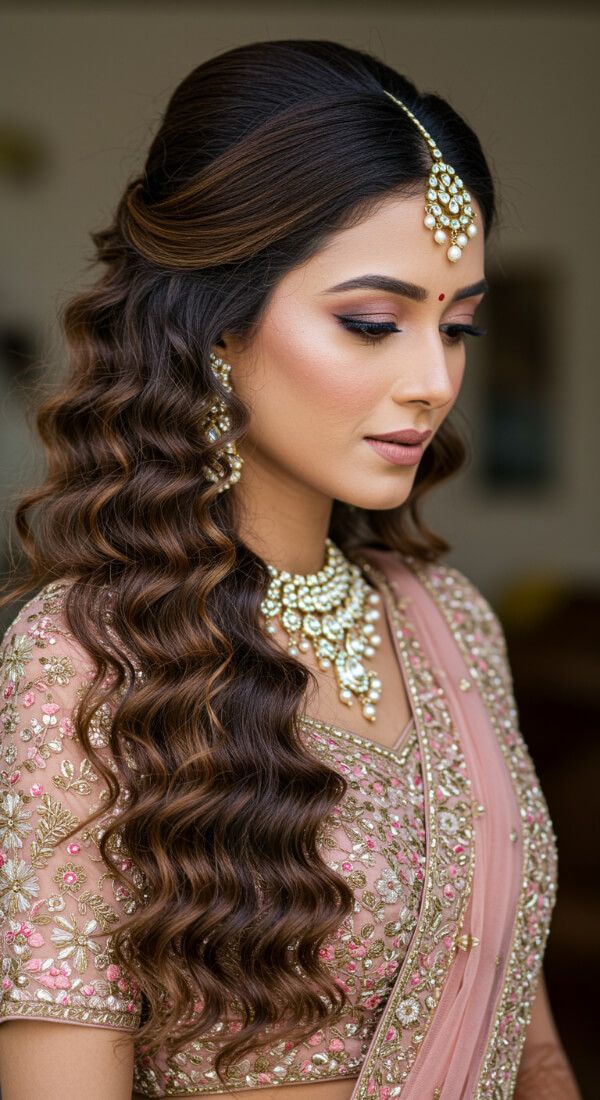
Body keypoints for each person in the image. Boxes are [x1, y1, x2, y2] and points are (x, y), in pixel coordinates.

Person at [0, 39, 581, 1100]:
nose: (434, 379)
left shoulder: (452, 622)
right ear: (218, 326)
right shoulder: (90, 655)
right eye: (372, 323)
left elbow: (531, 1048)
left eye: (458, 326)